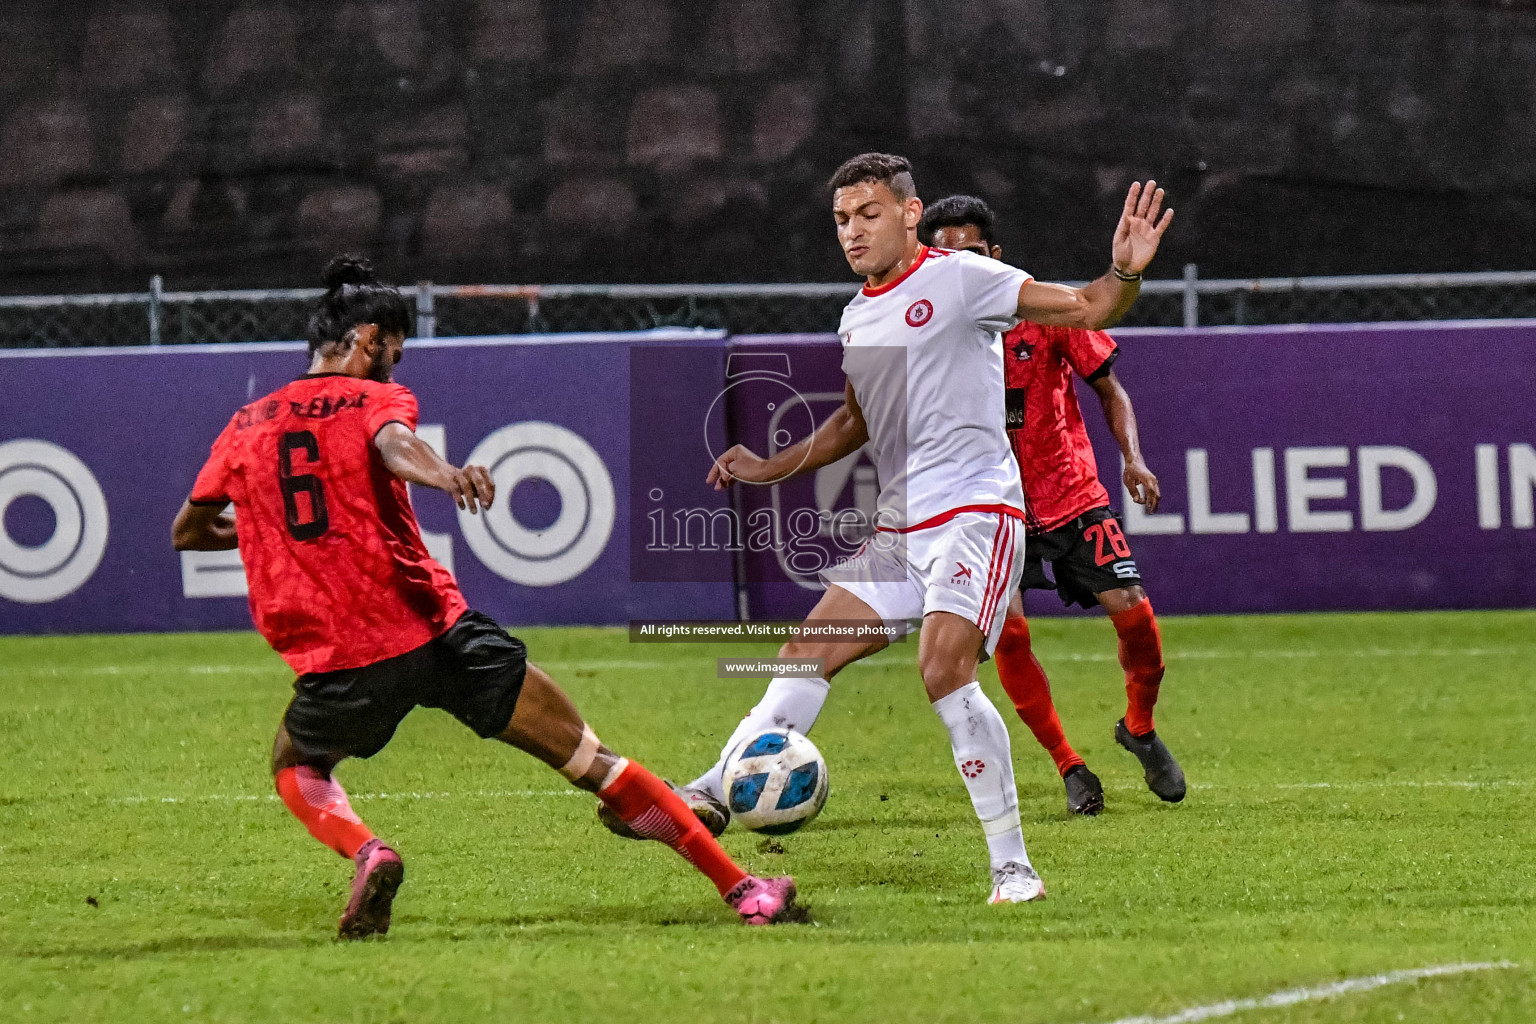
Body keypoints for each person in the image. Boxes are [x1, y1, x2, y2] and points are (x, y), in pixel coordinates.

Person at [171, 256, 802, 938]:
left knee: (297, 765)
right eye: (394, 353)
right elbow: (393, 444)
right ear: (367, 339)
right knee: (591, 758)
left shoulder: (245, 426)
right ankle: (745, 891)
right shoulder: (374, 399)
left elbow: (189, 530)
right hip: (440, 632)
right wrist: (443, 475)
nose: (393, 367)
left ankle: (367, 849)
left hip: (341, 660)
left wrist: (264, 527)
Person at [610, 154, 1171, 905]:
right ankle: (715, 787)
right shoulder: (859, 313)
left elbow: (1090, 308)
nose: (853, 231)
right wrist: (771, 466)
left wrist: (1124, 272)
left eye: (869, 214)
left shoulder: (964, 279)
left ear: (910, 214)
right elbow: (855, 420)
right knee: (804, 654)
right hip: (901, 529)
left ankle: (1013, 867)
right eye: (842, 219)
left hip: (977, 513)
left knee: (944, 673)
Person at [919, 195, 1186, 814]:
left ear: (996, 258)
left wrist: (1133, 458)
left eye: (974, 253)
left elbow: (1109, 386)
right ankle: (1069, 766)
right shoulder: (926, 331)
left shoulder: (1040, 311)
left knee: (1135, 617)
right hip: (988, 509)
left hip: (1071, 494)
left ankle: (1139, 728)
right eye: (947, 255)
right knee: (1009, 637)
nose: (961, 265)